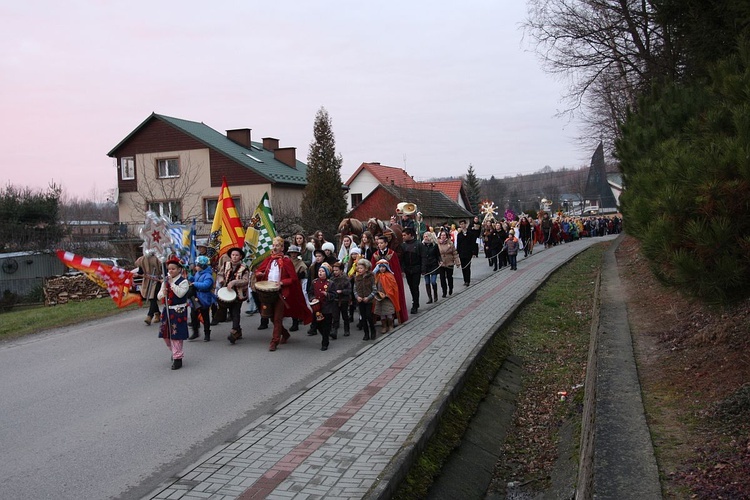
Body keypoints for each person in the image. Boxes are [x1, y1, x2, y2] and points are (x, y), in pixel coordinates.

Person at [254, 236, 312, 351]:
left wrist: (282, 282)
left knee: (277, 318)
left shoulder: (286, 261)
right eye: (274, 246)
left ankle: (274, 341)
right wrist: (259, 274)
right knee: (270, 316)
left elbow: (293, 278)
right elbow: (259, 271)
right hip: (269, 293)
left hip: (281, 293)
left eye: (278, 246)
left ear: (282, 248)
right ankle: (285, 334)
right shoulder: (269, 259)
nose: (275, 248)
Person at [157, 256, 190, 370]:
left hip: (178, 311)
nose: (170, 271)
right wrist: (163, 293)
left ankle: (177, 358)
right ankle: (175, 351)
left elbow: (180, 294)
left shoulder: (183, 281)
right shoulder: (165, 281)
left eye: (173, 269)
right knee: (166, 335)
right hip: (167, 310)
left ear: (179, 269)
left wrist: (172, 284)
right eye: (169, 269)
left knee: (176, 335)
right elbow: (159, 295)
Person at [371, 234, 408, 325]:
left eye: (381, 243)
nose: (379, 245)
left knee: (391, 300)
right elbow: (372, 269)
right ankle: (381, 320)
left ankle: (392, 320)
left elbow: (396, 269)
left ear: (386, 243)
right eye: (378, 243)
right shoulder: (375, 255)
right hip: (378, 282)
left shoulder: (392, 254)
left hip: (390, 281)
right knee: (378, 299)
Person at [221, 247, 250, 344]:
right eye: (233, 255)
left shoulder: (244, 268)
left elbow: (246, 281)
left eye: (236, 255)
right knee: (230, 311)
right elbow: (220, 274)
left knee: (235, 311)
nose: (234, 257)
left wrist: (235, 282)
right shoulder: (226, 264)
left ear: (240, 256)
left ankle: (234, 331)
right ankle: (238, 330)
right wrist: (221, 280)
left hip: (238, 293)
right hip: (228, 292)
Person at [188, 255, 216, 342]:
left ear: (202, 266)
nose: (196, 267)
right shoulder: (197, 273)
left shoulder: (208, 276)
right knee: (193, 315)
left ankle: (207, 333)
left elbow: (206, 285)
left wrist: (195, 284)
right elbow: (194, 280)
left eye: (197, 265)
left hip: (204, 298)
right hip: (195, 297)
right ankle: (195, 331)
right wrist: (190, 277)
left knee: (205, 316)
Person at [400, 226, 424, 314]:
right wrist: (402, 269)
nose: (403, 237)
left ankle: (415, 304)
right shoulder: (403, 246)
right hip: (407, 269)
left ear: (410, 235)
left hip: (416, 268)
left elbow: (423, 257)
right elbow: (401, 259)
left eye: (404, 235)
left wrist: (423, 268)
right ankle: (415, 301)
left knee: (415, 287)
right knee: (410, 287)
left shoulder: (418, 244)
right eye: (402, 235)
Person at [135, 251, 162, 326]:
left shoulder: (158, 259)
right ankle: (157, 313)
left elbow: (163, 270)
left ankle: (150, 316)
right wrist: (137, 274)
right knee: (151, 298)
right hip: (147, 280)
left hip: (156, 281)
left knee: (153, 297)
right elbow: (140, 271)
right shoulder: (142, 260)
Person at [352, 258, 377, 340]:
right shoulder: (357, 278)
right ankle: (366, 333)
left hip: (368, 300)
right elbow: (354, 289)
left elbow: (374, 290)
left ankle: (373, 331)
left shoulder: (371, 277)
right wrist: (357, 297)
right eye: (358, 268)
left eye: (361, 268)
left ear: (366, 268)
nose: (359, 270)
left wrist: (369, 297)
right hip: (360, 300)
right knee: (363, 317)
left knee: (369, 316)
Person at [373, 259, 400, 335]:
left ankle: (390, 325)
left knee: (389, 312)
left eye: (383, 267)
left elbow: (393, 287)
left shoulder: (390, 276)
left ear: (386, 267)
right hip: (379, 297)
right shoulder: (377, 276)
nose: (382, 269)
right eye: (380, 267)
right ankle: (384, 326)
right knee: (382, 313)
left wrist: (388, 294)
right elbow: (374, 285)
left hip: (388, 298)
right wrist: (377, 293)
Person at [286, 244, 308, 332]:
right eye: (292, 253)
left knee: (296, 303)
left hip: (296, 285)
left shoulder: (300, 263)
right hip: (287, 284)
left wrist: (297, 276)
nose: (293, 254)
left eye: (295, 253)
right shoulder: (286, 261)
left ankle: (296, 322)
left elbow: (303, 274)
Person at [312, 262, 334, 351]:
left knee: (326, 325)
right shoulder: (314, 282)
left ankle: (325, 342)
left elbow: (334, 295)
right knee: (317, 324)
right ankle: (326, 335)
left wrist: (327, 294)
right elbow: (310, 292)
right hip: (317, 308)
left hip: (327, 308)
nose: (320, 273)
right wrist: (312, 298)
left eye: (323, 271)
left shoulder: (330, 283)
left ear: (327, 273)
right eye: (319, 271)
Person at [306, 248, 326, 337]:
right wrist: (309, 290)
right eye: (316, 256)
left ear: (323, 257)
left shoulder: (325, 266)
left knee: (323, 311)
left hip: (324, 290)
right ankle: (313, 327)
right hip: (315, 289)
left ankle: (324, 327)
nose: (318, 258)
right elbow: (310, 279)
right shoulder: (312, 267)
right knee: (315, 310)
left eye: (319, 256)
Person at [329, 261, 352, 338]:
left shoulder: (345, 279)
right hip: (335, 299)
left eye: (337, 270)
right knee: (335, 316)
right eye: (334, 270)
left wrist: (342, 291)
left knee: (345, 315)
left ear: (341, 271)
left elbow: (349, 290)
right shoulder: (331, 279)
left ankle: (347, 329)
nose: (335, 272)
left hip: (344, 300)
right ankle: (334, 331)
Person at [437, 230, 460, 297]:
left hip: (449, 262)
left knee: (449, 277)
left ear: (446, 236)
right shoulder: (437, 244)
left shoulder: (450, 243)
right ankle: (444, 291)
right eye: (442, 235)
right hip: (441, 263)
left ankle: (450, 288)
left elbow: (455, 253)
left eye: (444, 235)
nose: (443, 237)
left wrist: (457, 261)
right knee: (442, 278)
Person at [456, 219, 479, 286]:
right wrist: (457, 252)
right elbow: (458, 244)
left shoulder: (470, 234)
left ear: (465, 224)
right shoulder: (459, 235)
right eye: (461, 224)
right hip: (462, 253)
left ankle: (468, 280)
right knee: (463, 267)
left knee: (467, 267)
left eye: (463, 224)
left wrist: (474, 252)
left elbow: (473, 243)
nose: (462, 226)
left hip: (468, 252)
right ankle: (465, 280)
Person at [421, 231, 440, 304]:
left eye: (427, 236)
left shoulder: (434, 245)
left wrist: (440, 260)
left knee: (433, 281)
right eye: (424, 236)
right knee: (427, 282)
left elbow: (438, 255)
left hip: (433, 265)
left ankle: (435, 295)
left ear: (430, 237)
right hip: (425, 266)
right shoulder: (422, 246)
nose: (425, 238)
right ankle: (430, 298)